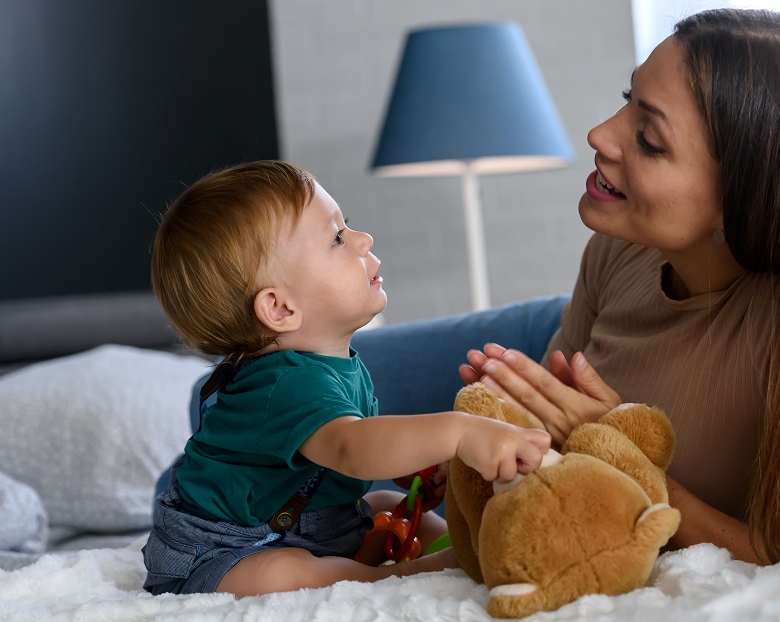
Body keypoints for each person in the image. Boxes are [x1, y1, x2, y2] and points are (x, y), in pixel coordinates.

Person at [460, 8, 780, 567]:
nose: (599, 135)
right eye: (626, 98)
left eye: (649, 139)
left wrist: (625, 459)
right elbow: (541, 450)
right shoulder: (615, 253)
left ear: (745, 202)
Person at [142, 160, 550, 597]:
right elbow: (350, 447)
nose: (363, 239)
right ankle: (397, 578)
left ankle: (470, 544)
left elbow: (349, 455)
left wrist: (414, 466)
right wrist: (460, 433)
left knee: (387, 505)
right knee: (283, 572)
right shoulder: (282, 384)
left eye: (347, 225)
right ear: (280, 309)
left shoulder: (334, 362)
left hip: (312, 521)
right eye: (337, 238)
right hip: (224, 549)